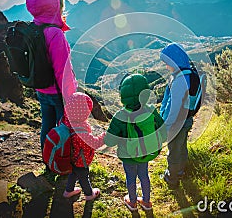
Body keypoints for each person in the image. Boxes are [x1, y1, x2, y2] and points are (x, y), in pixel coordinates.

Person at [104, 74, 166, 211]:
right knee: (144, 176)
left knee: (131, 178)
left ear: (123, 95)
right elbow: (163, 131)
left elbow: (109, 141)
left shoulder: (120, 116)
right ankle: (146, 202)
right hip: (146, 153)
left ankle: (132, 202)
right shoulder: (151, 110)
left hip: (128, 156)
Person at [26, 0, 78, 150]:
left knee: (47, 125)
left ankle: (47, 160)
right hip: (58, 92)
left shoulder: (32, 29)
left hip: (41, 89)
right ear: (56, 9)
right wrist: (70, 94)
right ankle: (65, 164)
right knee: (66, 128)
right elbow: (62, 70)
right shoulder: (55, 33)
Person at [159, 42, 194, 189]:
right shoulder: (189, 74)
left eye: (168, 63)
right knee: (181, 147)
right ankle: (181, 171)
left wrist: (166, 125)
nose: (166, 67)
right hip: (187, 120)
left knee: (173, 151)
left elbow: (173, 107)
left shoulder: (179, 80)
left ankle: (172, 178)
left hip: (176, 123)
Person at [61, 92, 106, 200]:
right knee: (83, 177)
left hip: (70, 157)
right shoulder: (80, 130)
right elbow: (94, 143)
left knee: (73, 173)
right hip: (81, 159)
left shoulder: (66, 121)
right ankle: (89, 194)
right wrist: (105, 136)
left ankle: (68, 191)